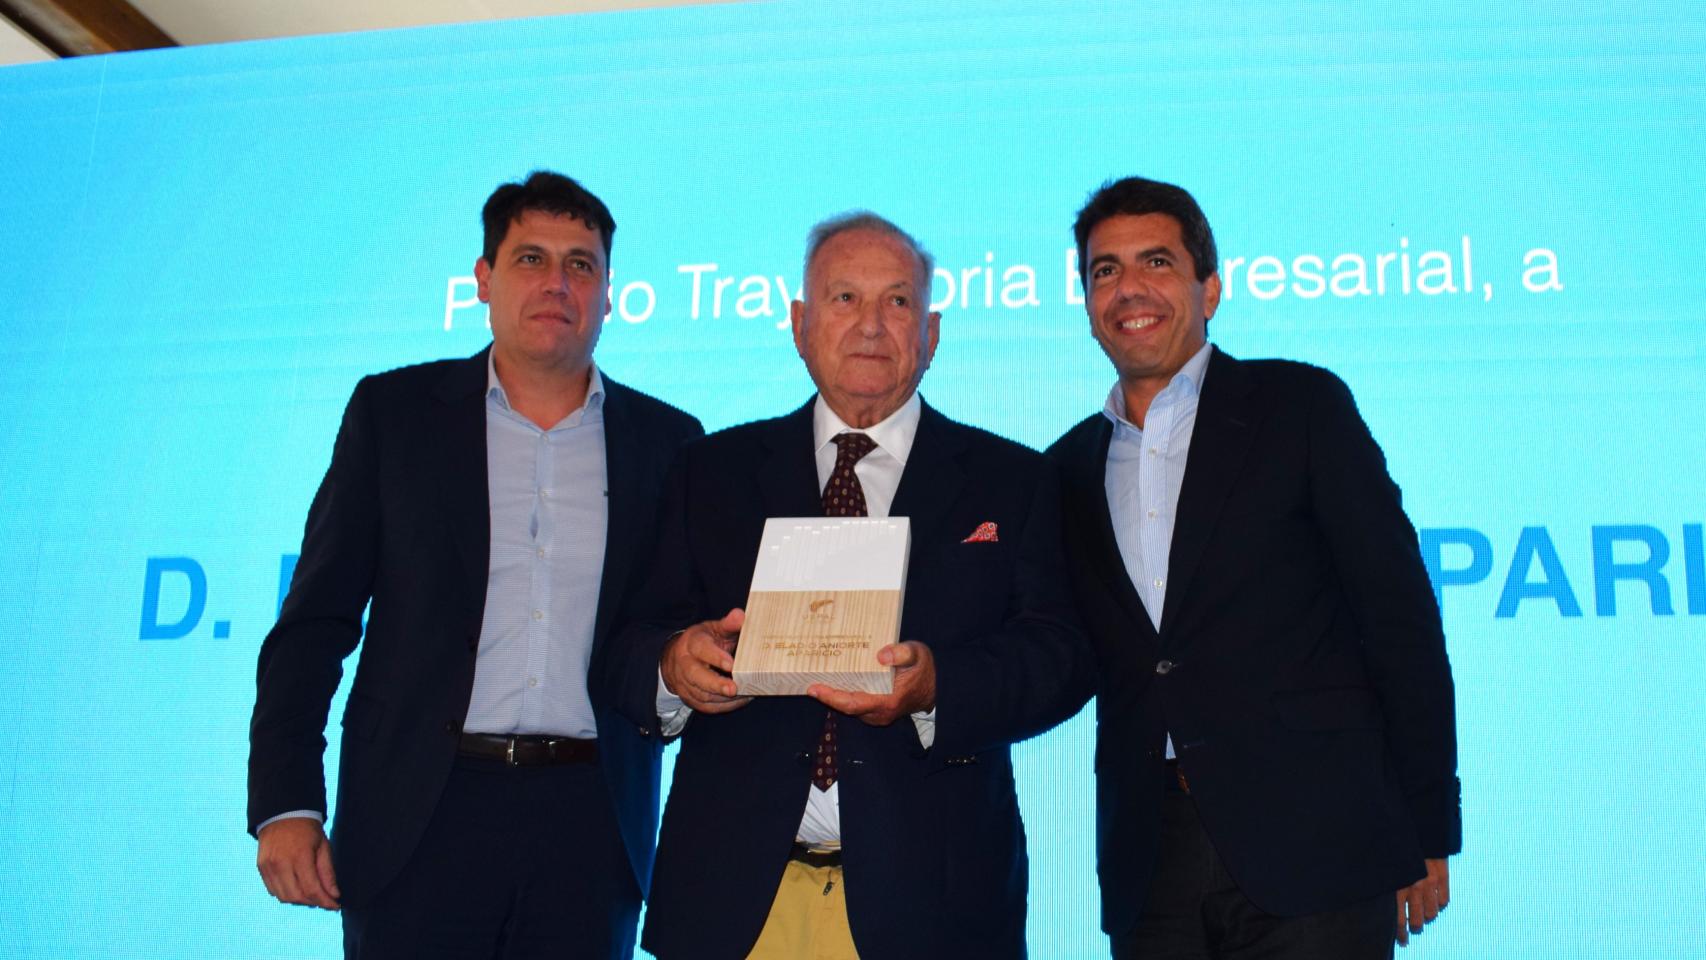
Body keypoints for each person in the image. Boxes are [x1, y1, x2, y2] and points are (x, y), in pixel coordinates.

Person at [603, 212, 1092, 960]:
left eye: (897, 301)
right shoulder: (711, 471)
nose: (870, 324)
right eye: (844, 299)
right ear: (799, 325)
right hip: (731, 900)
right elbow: (625, 646)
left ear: (931, 333)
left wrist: (938, 686)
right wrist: (673, 665)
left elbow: (1061, 657)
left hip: (936, 905)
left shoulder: (1014, 480)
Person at [247, 170, 702, 959]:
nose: (557, 283)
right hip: (417, 818)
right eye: (531, 259)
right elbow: (315, 622)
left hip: (589, 827)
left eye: (581, 264)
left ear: (608, 293)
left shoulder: (669, 443)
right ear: (484, 279)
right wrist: (287, 803)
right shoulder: (395, 417)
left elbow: (665, 639)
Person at [1046, 176, 1460, 959]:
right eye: (1105, 270)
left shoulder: (1300, 407)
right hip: (1149, 865)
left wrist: (1428, 823)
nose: (1129, 287)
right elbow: (1063, 655)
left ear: (1210, 288)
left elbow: (1399, 619)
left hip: (1319, 846)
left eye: (1156, 262)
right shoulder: (1065, 468)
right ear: (1088, 302)